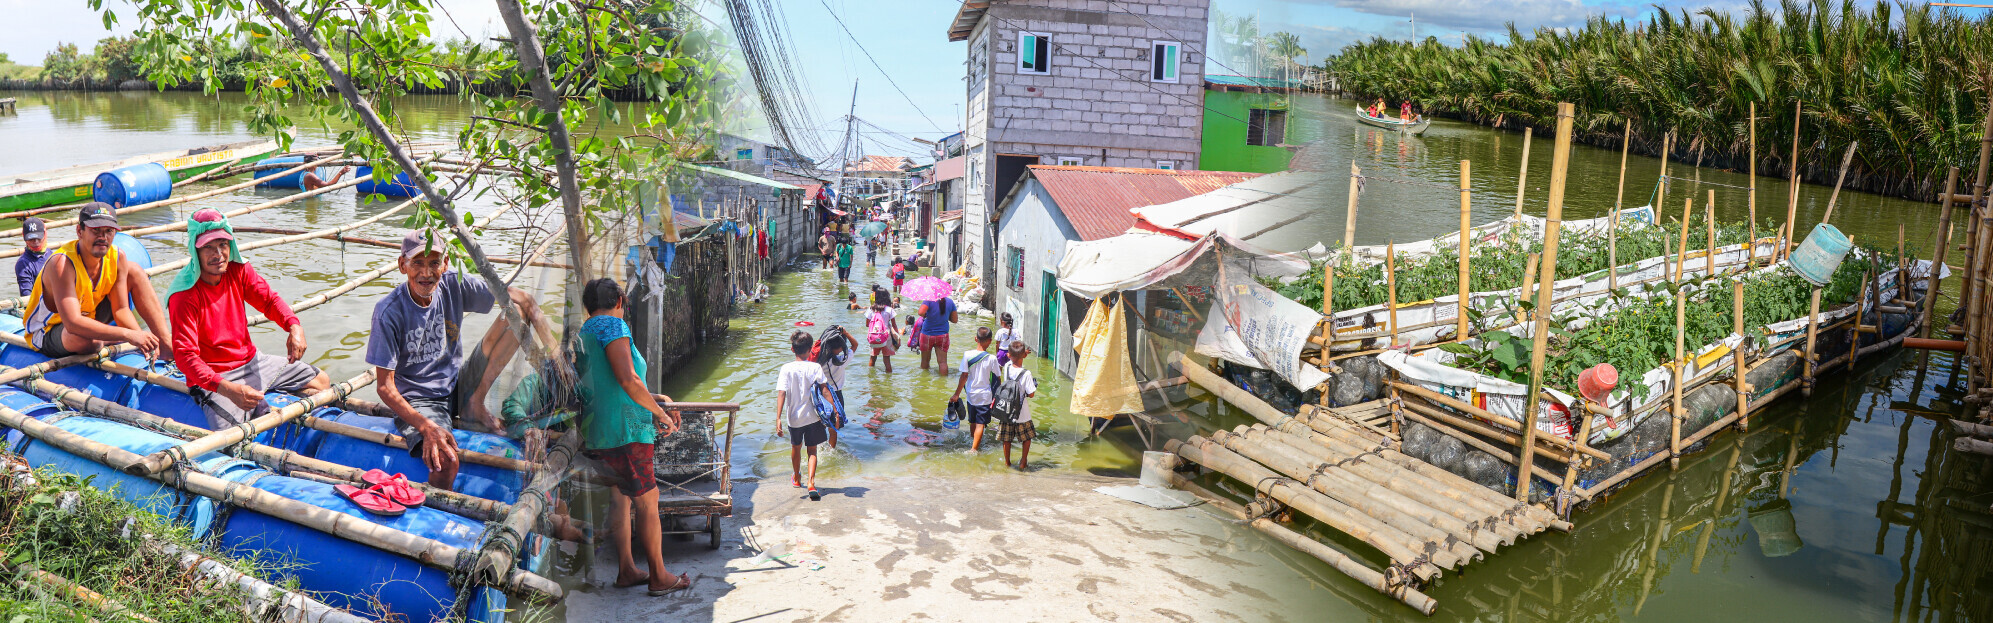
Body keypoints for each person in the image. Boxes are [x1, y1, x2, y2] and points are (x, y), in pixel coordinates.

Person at [367, 228, 554, 491]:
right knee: (445, 459)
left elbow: (523, 299)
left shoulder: (453, 283)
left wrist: (553, 358)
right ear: (402, 265)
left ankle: (474, 403)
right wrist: (425, 426)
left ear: (445, 264)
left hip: (457, 383)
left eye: (434, 263)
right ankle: (439, 509)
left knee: (517, 314)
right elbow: (385, 387)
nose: (426, 272)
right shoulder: (389, 311)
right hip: (421, 398)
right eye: (417, 263)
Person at [167, 209, 332, 430]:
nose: (218, 254)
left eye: (223, 245)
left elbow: (269, 301)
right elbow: (185, 358)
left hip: (253, 361)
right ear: (195, 249)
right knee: (232, 439)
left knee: (322, 381)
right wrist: (227, 389)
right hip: (216, 377)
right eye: (208, 247)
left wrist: (294, 326)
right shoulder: (184, 294)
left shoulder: (238, 270)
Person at [576, 278, 689, 596]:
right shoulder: (613, 327)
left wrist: (657, 399)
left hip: (600, 432)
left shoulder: (586, 332)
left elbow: (613, 383)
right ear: (621, 302)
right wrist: (662, 414)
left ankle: (626, 569)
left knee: (621, 498)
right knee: (648, 500)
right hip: (624, 432)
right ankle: (659, 577)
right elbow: (628, 380)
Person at [23, 203, 173, 360]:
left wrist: (141, 339)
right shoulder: (62, 263)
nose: (103, 237)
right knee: (90, 341)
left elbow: (121, 309)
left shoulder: (117, 257)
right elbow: (73, 323)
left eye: (109, 231)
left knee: (134, 270)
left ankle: (166, 345)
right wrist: (127, 334)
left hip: (89, 315)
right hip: (50, 330)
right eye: (95, 231)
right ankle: (110, 337)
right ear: (79, 231)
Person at [775, 331, 836, 501]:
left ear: (792, 349)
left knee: (796, 447)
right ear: (810, 350)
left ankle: (796, 477)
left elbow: (782, 393)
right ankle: (811, 483)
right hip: (813, 417)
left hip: (794, 418)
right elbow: (825, 390)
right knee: (812, 450)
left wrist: (778, 418)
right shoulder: (815, 367)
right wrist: (834, 411)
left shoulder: (786, 368)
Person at [949, 327, 1002, 453]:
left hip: (971, 394)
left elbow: (964, 376)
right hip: (985, 395)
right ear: (990, 341)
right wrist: (997, 396)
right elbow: (998, 378)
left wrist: (956, 394)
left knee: (972, 420)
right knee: (980, 423)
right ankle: (974, 449)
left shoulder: (967, 355)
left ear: (975, 339)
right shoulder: (992, 359)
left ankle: (973, 441)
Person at [996, 340, 1040, 470]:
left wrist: (1020, 354)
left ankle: (1007, 463)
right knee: (1027, 438)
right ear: (1024, 356)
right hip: (1022, 413)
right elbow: (1031, 394)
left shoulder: (1007, 367)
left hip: (1007, 410)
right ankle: (1023, 462)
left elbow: (1013, 358)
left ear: (1008, 355)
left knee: (1007, 439)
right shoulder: (1026, 374)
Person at [916, 295, 959, 375]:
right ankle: (943, 385)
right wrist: (945, 317)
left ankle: (924, 384)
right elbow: (955, 320)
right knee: (943, 362)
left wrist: (927, 315)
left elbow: (920, 312)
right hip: (943, 335)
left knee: (925, 362)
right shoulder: (950, 302)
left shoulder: (928, 300)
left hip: (927, 334)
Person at [16, 217, 48, 297]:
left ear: (44, 234)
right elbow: (26, 295)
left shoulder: (51, 254)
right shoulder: (23, 263)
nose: (36, 242)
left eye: (38, 237)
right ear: (24, 237)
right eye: (31, 239)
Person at [865, 300, 900, 372]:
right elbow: (894, 325)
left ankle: (871, 380)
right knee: (887, 359)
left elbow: (867, 324)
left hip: (874, 335)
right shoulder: (889, 309)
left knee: (873, 358)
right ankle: (889, 380)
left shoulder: (871, 309)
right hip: (886, 336)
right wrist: (897, 338)